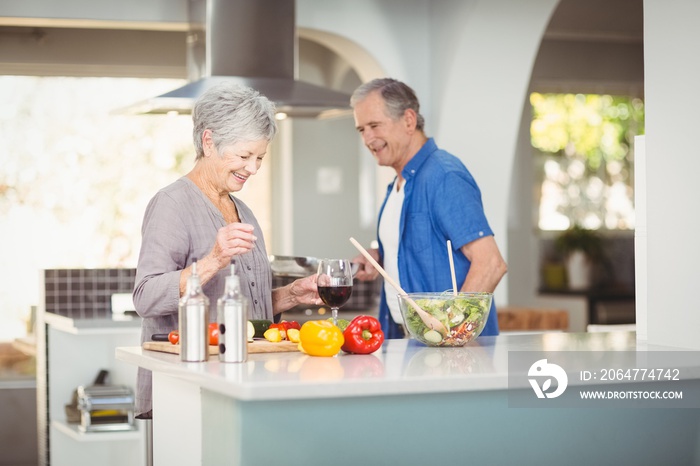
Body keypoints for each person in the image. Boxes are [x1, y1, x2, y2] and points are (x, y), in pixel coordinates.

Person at [132, 82, 321, 418]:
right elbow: (146, 298)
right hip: (187, 387)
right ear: (209, 142)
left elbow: (246, 311)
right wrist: (214, 260)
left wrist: (291, 294)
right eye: (245, 155)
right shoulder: (172, 204)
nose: (253, 168)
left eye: (260, 157)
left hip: (240, 383)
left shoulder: (242, 210)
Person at [350, 78, 507, 339]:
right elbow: (424, 244)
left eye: (374, 126)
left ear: (409, 121)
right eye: (361, 130)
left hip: (448, 349)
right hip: (406, 340)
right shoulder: (398, 184)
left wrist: (451, 333)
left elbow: (491, 263)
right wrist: (382, 255)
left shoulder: (443, 176)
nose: (368, 138)